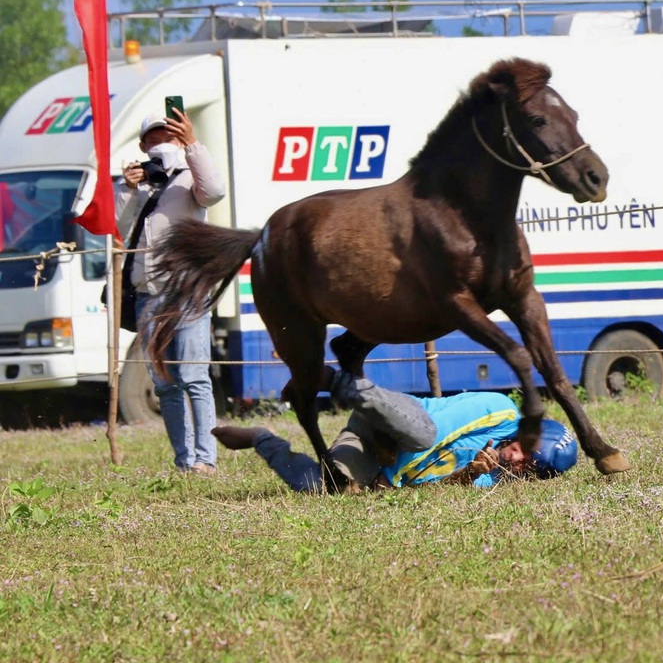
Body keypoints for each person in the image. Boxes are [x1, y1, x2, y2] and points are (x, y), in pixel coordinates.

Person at [212, 368, 579, 492]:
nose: (515, 461)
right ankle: (335, 379)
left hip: (371, 449)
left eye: (526, 469)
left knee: (323, 489)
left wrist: (467, 476)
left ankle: (259, 437)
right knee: (422, 435)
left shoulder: (491, 478)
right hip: (393, 422)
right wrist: (393, 481)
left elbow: (435, 487)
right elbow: (440, 435)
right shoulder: (500, 412)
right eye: (523, 453)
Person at [115, 109, 227, 473]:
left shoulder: (190, 175)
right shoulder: (136, 183)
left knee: (194, 376)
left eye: (170, 134)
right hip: (149, 294)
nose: (162, 141)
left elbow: (214, 192)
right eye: (154, 136)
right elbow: (117, 227)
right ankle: (184, 460)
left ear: (180, 139)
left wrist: (193, 144)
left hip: (188, 291)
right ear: (143, 145)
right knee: (164, 384)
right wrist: (127, 189)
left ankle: (206, 460)